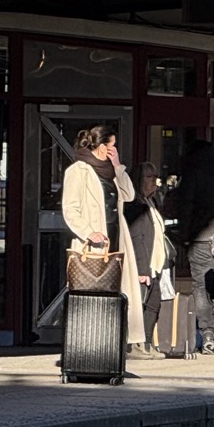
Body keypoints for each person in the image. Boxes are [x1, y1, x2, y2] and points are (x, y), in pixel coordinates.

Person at [60, 126, 145, 336]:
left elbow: (129, 195)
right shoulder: (78, 171)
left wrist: (118, 167)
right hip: (94, 243)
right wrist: (88, 232)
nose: (114, 149)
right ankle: (90, 336)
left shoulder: (111, 172)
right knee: (93, 290)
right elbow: (70, 209)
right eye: (112, 145)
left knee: (116, 291)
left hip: (115, 238)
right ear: (101, 146)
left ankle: (114, 337)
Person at [170, 139, 214, 356]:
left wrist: (184, 235)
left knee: (200, 286)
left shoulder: (194, 171)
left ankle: (206, 333)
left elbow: (186, 205)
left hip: (201, 236)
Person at [122, 161, 168, 356]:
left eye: (155, 177)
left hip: (155, 263)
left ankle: (147, 344)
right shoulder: (134, 205)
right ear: (138, 180)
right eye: (149, 177)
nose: (154, 181)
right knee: (139, 304)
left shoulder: (152, 202)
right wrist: (142, 269)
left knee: (153, 303)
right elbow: (136, 238)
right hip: (142, 263)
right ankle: (134, 345)